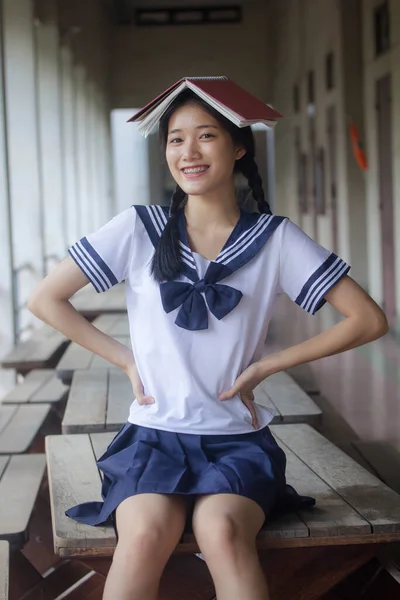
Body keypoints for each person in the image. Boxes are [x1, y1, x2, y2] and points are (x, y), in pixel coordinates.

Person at [28, 88, 388, 600]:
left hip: (237, 442)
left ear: (239, 147)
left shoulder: (274, 238)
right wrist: (124, 358)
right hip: (152, 439)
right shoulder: (139, 229)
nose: (188, 152)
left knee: (222, 531)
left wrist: (270, 365)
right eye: (176, 139)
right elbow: (46, 299)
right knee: (145, 534)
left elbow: (368, 320)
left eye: (206, 136)